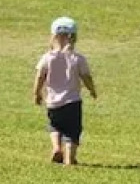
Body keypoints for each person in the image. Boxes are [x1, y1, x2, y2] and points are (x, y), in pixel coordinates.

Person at [33, 16, 98, 165]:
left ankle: (56, 148)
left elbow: (40, 76)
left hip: (53, 102)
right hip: (72, 102)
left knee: (55, 126)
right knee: (72, 131)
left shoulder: (47, 58)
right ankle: (70, 158)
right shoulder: (77, 58)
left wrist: (37, 93)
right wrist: (92, 89)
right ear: (74, 38)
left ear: (52, 37)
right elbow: (86, 76)